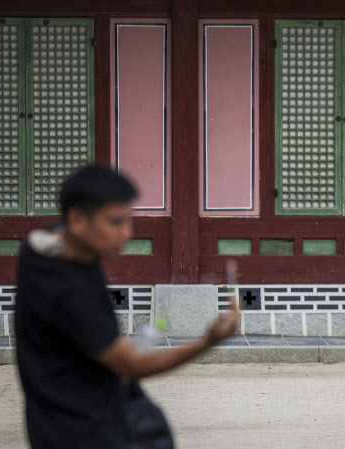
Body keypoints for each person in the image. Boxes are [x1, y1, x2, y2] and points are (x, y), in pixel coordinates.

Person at [15, 164, 240, 448]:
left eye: (128, 221)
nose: (127, 233)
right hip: (82, 431)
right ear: (77, 220)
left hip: (51, 419)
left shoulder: (41, 246)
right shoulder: (69, 291)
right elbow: (131, 364)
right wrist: (208, 341)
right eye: (115, 222)